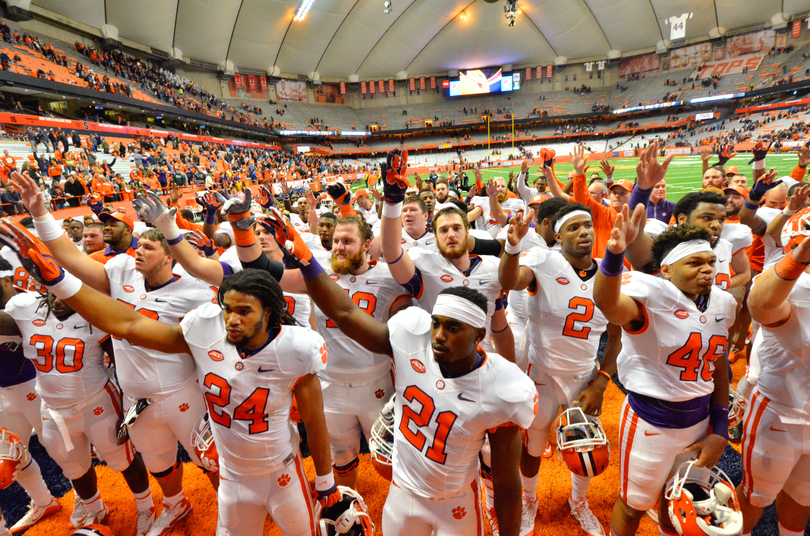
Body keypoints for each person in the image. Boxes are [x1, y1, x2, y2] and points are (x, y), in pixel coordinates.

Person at [3, 230, 339, 536]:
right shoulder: (206, 331)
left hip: (282, 472)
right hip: (232, 476)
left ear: (269, 312)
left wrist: (325, 482)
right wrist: (60, 280)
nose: (232, 320)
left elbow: (314, 420)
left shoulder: (296, 348)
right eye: (228, 309)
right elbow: (130, 325)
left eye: (245, 311)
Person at [260, 208, 537, 536]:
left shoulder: (503, 385)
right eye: (436, 324)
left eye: (454, 328)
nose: (439, 336)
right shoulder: (411, 339)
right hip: (402, 496)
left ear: (479, 335)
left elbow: (507, 485)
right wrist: (306, 260)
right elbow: (346, 312)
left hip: (457, 503)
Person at [9, 171, 222, 536]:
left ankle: (231, 512)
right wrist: (40, 212)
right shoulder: (120, 269)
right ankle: (174, 504)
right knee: (158, 462)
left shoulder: (196, 292)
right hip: (136, 395)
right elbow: (71, 260)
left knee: (210, 460)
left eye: (148, 248)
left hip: (181, 390)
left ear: (171, 257)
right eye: (138, 246)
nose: (137, 251)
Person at [594, 217, 734, 536]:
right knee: (633, 507)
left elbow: (719, 366)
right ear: (667, 270)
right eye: (695, 262)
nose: (707, 269)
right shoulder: (651, 298)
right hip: (650, 422)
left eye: (711, 261)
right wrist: (614, 254)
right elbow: (607, 303)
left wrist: (721, 428)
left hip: (699, 422)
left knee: (682, 503)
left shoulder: (723, 303)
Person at [499, 203, 622, 536]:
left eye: (587, 225)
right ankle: (528, 500)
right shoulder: (544, 261)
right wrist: (512, 248)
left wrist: (602, 380)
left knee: (588, 446)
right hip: (542, 373)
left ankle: (578, 501)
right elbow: (509, 281)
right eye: (573, 227)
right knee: (534, 445)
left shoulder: (610, 275)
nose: (584, 232)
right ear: (556, 235)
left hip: (583, 375)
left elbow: (616, 336)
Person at [0, 289, 154, 534]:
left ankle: (146, 506)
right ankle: (95, 510)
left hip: (97, 402)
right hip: (52, 408)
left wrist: (128, 412)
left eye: (65, 295)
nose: (57, 301)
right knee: (73, 467)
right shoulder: (26, 308)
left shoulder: (96, 314)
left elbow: (123, 366)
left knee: (122, 458)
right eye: (52, 294)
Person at [739, 219, 810, 536]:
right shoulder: (794, 287)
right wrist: (799, 258)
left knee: (803, 495)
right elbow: (760, 304)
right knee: (756, 495)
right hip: (782, 412)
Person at [0, 260, 60, 535]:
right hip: (3, 392)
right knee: (12, 453)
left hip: (35, 385)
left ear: (5, 280)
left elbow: (11, 325)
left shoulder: (27, 302)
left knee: (63, 449)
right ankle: (43, 501)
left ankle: (89, 503)